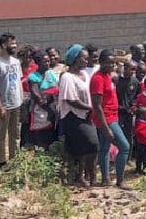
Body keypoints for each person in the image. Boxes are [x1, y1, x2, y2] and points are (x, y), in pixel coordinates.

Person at [58, 45, 99, 187]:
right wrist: (90, 108)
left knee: (84, 148)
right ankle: (81, 176)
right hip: (73, 117)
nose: (87, 61)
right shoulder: (67, 77)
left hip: (86, 115)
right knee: (91, 143)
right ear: (75, 59)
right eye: (84, 58)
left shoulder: (85, 75)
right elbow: (71, 100)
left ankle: (88, 177)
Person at [91, 49, 131, 189]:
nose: (112, 66)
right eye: (109, 63)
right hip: (107, 119)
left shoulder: (107, 76)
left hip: (112, 116)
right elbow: (97, 105)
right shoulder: (98, 79)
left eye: (113, 63)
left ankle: (105, 179)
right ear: (101, 62)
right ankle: (120, 180)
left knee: (104, 148)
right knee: (124, 147)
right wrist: (106, 128)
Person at [0, 32, 22, 169]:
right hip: (3, 106)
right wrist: (0, 107)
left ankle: (15, 160)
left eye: (15, 43)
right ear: (3, 45)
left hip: (16, 104)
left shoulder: (16, 62)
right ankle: (0, 162)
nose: (15, 46)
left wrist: (21, 100)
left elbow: (18, 82)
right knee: (0, 135)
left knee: (15, 134)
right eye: (11, 44)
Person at [27, 48, 58, 148]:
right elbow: (39, 98)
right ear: (38, 63)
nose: (48, 63)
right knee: (42, 138)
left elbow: (56, 89)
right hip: (41, 112)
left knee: (52, 138)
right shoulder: (33, 77)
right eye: (45, 62)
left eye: (48, 61)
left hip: (53, 109)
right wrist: (49, 110)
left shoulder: (50, 74)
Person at [116, 60, 141, 151]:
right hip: (118, 113)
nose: (134, 72)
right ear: (125, 68)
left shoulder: (135, 81)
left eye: (135, 69)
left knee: (129, 135)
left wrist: (134, 106)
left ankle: (128, 156)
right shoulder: (117, 80)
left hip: (129, 114)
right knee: (117, 135)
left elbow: (137, 96)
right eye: (132, 69)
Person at [133, 106, 146, 174]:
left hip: (138, 143)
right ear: (142, 115)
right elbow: (145, 136)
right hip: (144, 144)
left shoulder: (138, 123)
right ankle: (145, 169)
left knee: (139, 157)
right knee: (145, 158)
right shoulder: (143, 125)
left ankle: (138, 169)